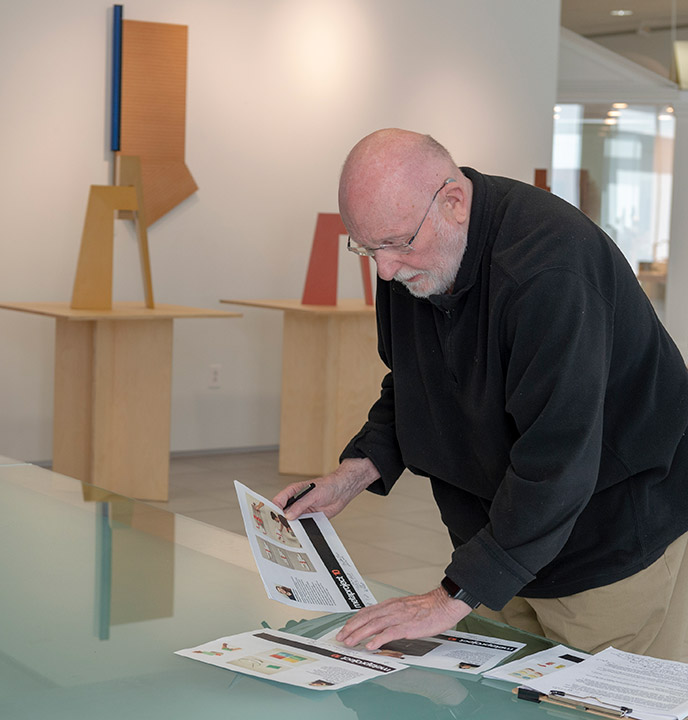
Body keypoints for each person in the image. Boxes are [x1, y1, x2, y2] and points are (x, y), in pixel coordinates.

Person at [274, 128, 688, 662]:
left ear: (453, 201)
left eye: (396, 244)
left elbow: (558, 459)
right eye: (367, 246)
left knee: (593, 704)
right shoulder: (409, 254)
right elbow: (415, 380)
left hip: (608, 540)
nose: (384, 269)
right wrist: (354, 473)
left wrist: (452, 596)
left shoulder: (550, 269)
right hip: (499, 535)